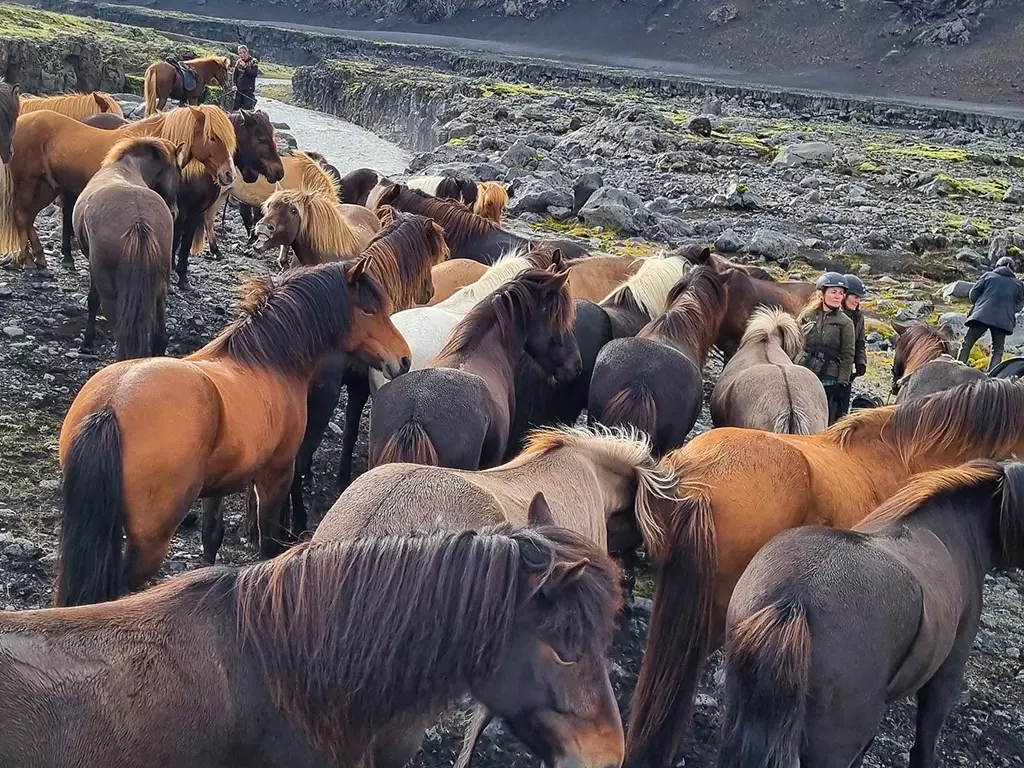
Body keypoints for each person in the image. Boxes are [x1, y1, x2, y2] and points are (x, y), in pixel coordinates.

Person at [798, 272, 856, 425]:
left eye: (841, 293)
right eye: (833, 292)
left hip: (830, 378)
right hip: (804, 371)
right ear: (822, 294)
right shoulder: (807, 315)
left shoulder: (846, 323)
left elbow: (848, 354)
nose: (838, 296)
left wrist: (842, 382)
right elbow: (794, 341)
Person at [957, 256, 1024, 372]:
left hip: (981, 316)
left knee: (967, 343)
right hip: (1003, 321)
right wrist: (1011, 310)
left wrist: (979, 304)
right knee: (997, 350)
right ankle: (992, 377)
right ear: (1012, 269)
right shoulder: (1018, 284)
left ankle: (957, 367)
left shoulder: (988, 276)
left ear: (997, 265)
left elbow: (973, 293)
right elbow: (1020, 303)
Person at [842, 273, 868, 382]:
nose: (858, 301)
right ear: (845, 295)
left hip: (847, 368)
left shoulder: (858, 317)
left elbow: (860, 343)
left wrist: (861, 362)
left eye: (859, 298)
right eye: (855, 297)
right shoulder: (831, 315)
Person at [232, 44, 259, 111]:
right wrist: (234, 85)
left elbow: (254, 74)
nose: (242, 54)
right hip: (238, 89)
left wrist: (245, 66)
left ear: (247, 52)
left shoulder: (254, 61)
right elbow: (235, 75)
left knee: (246, 110)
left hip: (248, 89)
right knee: (236, 108)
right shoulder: (238, 62)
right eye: (240, 53)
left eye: (244, 52)